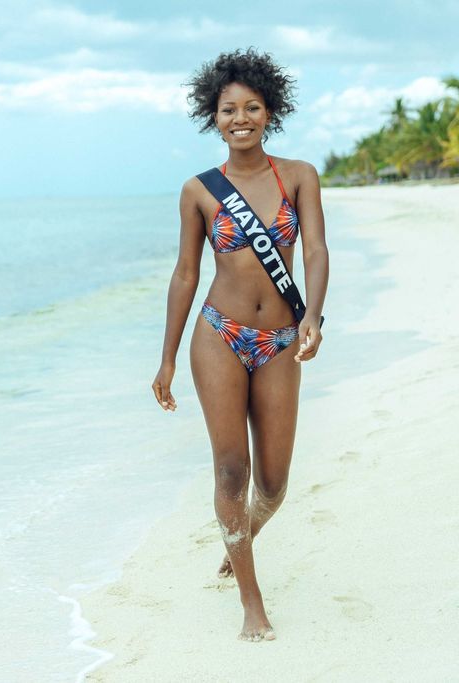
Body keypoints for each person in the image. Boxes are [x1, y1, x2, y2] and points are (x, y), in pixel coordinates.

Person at [151, 48, 329, 642]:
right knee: (232, 470)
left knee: (273, 485)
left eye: (252, 106)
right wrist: (169, 356)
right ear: (215, 117)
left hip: (280, 338)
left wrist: (314, 318)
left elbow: (315, 252)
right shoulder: (199, 191)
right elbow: (184, 274)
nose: (241, 117)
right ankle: (252, 601)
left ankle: (240, 539)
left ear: (270, 112)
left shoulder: (299, 175)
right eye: (229, 109)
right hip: (218, 335)